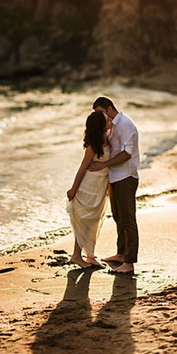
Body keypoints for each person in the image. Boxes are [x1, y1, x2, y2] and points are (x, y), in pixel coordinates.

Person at [87, 96, 140, 274]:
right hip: (115, 177)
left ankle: (129, 262)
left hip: (126, 176)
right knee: (118, 217)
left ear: (109, 108)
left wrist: (103, 165)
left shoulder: (125, 125)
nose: (100, 118)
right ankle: (121, 254)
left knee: (128, 219)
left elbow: (127, 153)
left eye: (101, 113)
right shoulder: (111, 126)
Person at [65, 110, 112, 269]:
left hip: (100, 187)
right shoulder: (92, 146)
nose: (109, 120)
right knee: (85, 221)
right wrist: (73, 189)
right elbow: (82, 168)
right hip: (88, 187)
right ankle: (76, 256)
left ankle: (90, 256)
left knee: (94, 221)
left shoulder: (108, 137)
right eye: (106, 119)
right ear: (100, 125)